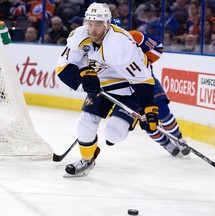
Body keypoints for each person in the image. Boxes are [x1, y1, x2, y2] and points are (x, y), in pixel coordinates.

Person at [56, 3, 158, 177]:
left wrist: (148, 107)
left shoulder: (119, 44)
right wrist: (83, 75)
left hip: (130, 88)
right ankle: (87, 159)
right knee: (84, 124)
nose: (93, 29)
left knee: (114, 135)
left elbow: (142, 80)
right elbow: (63, 69)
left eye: (98, 24)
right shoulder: (78, 36)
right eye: (90, 23)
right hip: (102, 86)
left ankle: (128, 120)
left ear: (107, 24)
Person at [111, 18, 190, 157]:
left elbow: (157, 47)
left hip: (146, 81)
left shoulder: (134, 36)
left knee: (162, 110)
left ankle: (179, 139)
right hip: (128, 91)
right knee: (147, 121)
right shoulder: (100, 48)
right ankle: (166, 144)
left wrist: (145, 62)